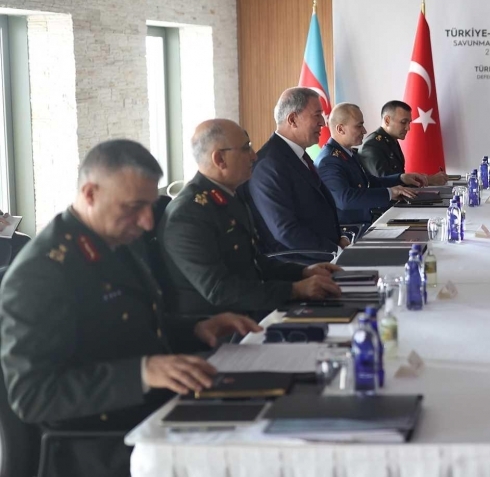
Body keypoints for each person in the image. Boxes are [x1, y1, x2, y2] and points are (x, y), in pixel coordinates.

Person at [0, 140, 260, 476]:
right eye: (134, 207)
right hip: (99, 446)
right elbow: (33, 396)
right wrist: (141, 373)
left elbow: (128, 328)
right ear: (91, 194)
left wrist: (196, 328)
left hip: (149, 413)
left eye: (150, 206)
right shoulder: (42, 272)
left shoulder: (112, 240)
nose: (148, 222)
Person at [159, 119, 343, 318]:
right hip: (224, 325)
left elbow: (255, 262)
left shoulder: (229, 196)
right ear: (220, 159)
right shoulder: (188, 214)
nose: (254, 156)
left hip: (254, 308)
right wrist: (294, 290)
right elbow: (219, 290)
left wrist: (303, 272)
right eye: (246, 148)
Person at [244, 87, 350, 256]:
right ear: (293, 119)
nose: (323, 123)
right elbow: (286, 231)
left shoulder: (298, 155)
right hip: (301, 263)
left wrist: (339, 239)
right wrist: (335, 251)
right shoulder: (269, 165)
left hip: (323, 254)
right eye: (317, 115)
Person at [316, 103, 425, 226]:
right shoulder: (329, 160)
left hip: (365, 222)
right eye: (359, 126)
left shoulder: (347, 153)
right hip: (350, 229)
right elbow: (345, 199)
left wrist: (400, 178)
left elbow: (369, 182)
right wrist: (390, 193)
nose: (364, 131)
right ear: (340, 129)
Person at [358, 100, 448, 185]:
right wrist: (428, 180)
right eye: (403, 122)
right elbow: (385, 182)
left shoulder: (391, 140)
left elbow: (399, 176)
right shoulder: (371, 145)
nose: (408, 128)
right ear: (387, 120)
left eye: (409, 123)